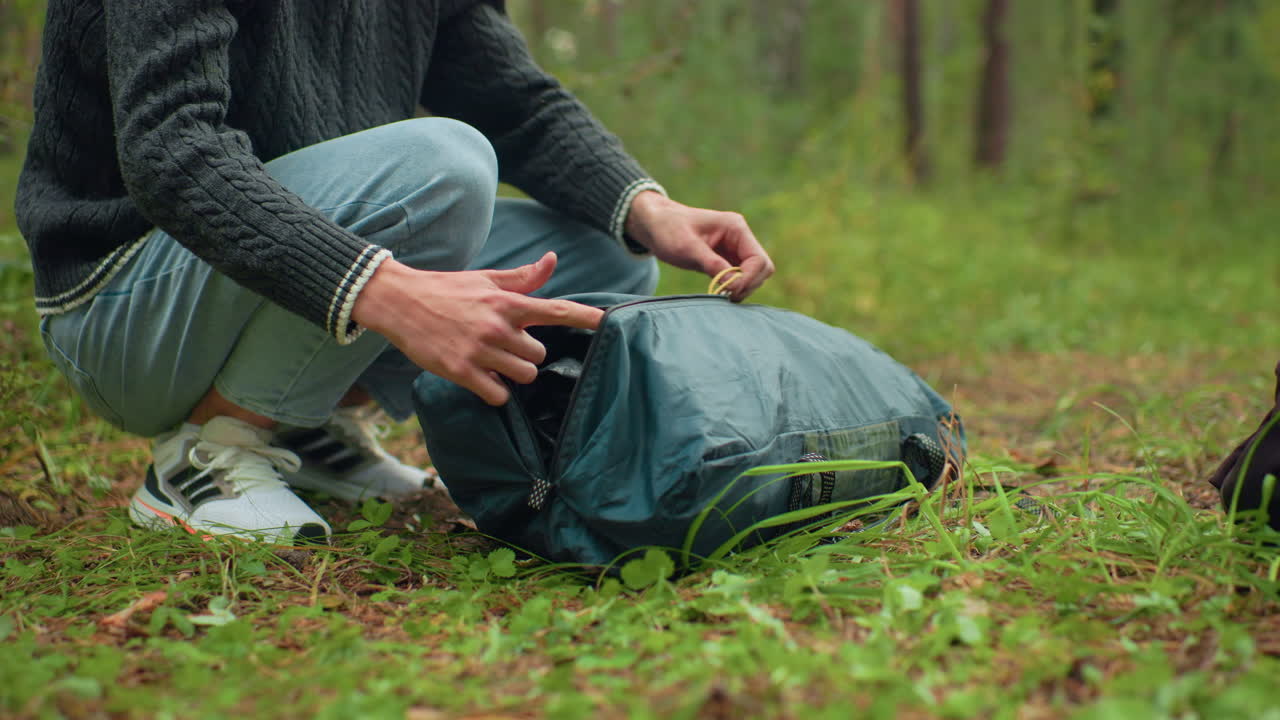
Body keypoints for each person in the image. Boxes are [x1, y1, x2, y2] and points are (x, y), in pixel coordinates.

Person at [16, 0, 774, 543]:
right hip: (121, 302)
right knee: (442, 168)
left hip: (258, 269)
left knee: (604, 252)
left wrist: (649, 208)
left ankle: (304, 429)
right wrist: (385, 290)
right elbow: (171, 149)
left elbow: (516, 101)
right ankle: (209, 454)